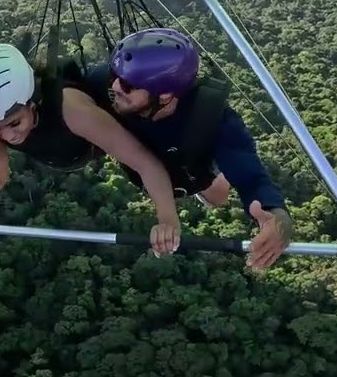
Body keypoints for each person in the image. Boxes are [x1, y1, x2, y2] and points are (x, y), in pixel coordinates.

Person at [0, 42, 185, 255]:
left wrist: (167, 221)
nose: (8, 135)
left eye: (14, 123)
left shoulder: (74, 112)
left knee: (212, 192)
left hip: (96, 138)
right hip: (63, 153)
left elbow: (144, 162)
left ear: (32, 101)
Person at [84, 27, 293, 269]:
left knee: (218, 196)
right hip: (142, 167)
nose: (116, 88)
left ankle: (213, 184)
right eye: (114, 75)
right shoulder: (108, 90)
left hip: (190, 171)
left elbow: (252, 177)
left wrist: (277, 216)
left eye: (129, 86)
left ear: (164, 96)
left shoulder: (213, 120)